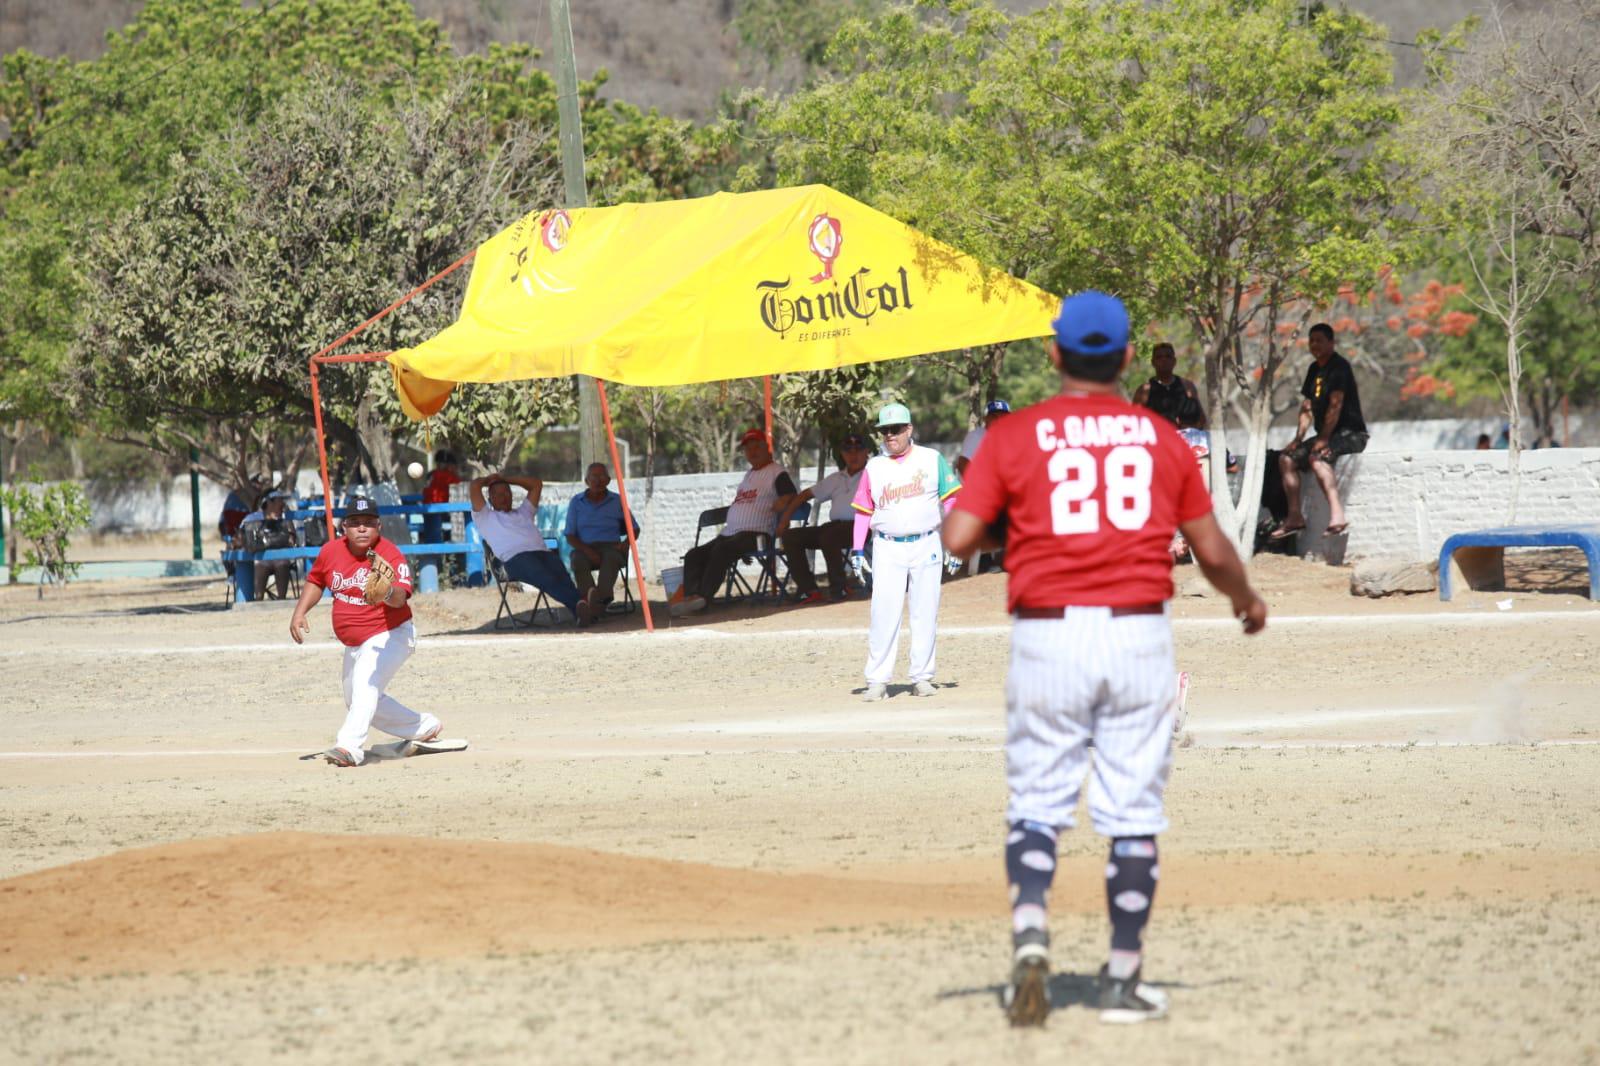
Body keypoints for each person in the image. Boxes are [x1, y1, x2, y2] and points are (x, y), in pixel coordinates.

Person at [943, 290, 1268, 1028]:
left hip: (1048, 635)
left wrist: (1026, 528)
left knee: (1037, 802)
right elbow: (1211, 547)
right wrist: (1246, 600)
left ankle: (1031, 932)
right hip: (1136, 635)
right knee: (1132, 814)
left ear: (1055, 355)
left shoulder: (1017, 436)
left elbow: (958, 536)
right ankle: (1122, 978)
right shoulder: (1157, 438)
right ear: (1127, 359)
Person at [289, 494, 444, 767]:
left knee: (366, 685)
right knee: (359, 700)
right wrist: (300, 612)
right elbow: (316, 580)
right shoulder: (330, 552)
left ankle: (349, 748)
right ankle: (424, 727)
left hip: (391, 634)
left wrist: (387, 591)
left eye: (369, 522)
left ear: (379, 527)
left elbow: (401, 598)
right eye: (355, 522)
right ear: (344, 527)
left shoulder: (390, 554)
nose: (362, 528)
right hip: (355, 643)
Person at [850, 403, 961, 700]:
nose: (890, 435)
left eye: (896, 429)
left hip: (927, 542)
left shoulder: (931, 458)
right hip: (887, 545)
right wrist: (857, 549)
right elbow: (863, 511)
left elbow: (951, 501)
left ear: (909, 429)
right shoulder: (875, 466)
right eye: (884, 431)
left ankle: (922, 677)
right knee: (883, 613)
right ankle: (877, 680)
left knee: (925, 611)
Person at [675, 428, 798, 615]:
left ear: (766, 447)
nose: (753, 452)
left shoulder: (776, 472)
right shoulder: (748, 475)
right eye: (748, 449)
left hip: (757, 533)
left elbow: (790, 495)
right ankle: (692, 598)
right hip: (730, 533)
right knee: (694, 555)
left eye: (757, 447)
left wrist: (782, 508)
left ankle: (703, 598)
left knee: (721, 551)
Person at [1272, 322, 1368, 539]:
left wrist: (1324, 437)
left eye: (1319, 340)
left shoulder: (1339, 367)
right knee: (1286, 459)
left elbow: (1336, 403)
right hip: (1326, 435)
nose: (1314, 344)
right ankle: (1295, 517)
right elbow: (1307, 406)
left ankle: (1337, 517)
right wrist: (1298, 438)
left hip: (1351, 434)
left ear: (1331, 343)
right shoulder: (1314, 369)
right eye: (1311, 340)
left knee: (1318, 458)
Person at [471, 473, 595, 626]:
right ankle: (581, 603)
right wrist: (491, 479)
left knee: (561, 574)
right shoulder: (485, 517)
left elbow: (536, 484)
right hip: (514, 560)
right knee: (545, 575)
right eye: (498, 494)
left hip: (542, 554)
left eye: (507, 493)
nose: (504, 497)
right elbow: (475, 486)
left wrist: (506, 478)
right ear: (490, 499)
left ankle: (582, 608)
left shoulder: (523, 512)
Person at [775, 432, 870, 605]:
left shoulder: (873, 474)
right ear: (842, 454)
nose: (853, 454)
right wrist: (784, 519)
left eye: (858, 449)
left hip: (862, 527)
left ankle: (839, 587)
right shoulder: (836, 478)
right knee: (791, 537)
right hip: (835, 527)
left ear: (866, 452)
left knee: (829, 536)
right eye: (848, 450)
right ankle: (809, 590)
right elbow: (804, 495)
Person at [564, 463, 640, 610]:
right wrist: (587, 550)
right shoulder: (576, 502)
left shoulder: (617, 500)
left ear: (608, 480)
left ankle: (597, 602)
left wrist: (625, 544)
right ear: (586, 481)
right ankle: (591, 599)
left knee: (611, 557)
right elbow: (570, 535)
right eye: (594, 477)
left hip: (612, 547)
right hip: (585, 547)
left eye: (601, 476)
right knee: (577, 559)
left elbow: (634, 529)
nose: (598, 481)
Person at [238, 490, 299, 600]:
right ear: (269, 503)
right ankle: (258, 600)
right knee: (260, 564)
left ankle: (281, 599)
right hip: (260, 558)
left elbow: (292, 541)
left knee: (282, 563)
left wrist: (287, 518)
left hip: (280, 558)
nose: (282, 504)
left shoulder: (284, 519)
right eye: (279, 501)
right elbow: (242, 539)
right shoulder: (253, 519)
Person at [1132, 342, 1205, 428]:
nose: (1164, 360)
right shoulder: (1144, 391)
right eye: (1159, 357)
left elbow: (1202, 418)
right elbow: (1134, 422)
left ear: (1174, 361)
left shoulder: (1187, 386)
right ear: (1153, 362)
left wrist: (1188, 427)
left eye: (1168, 356)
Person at [956, 399, 1011, 478]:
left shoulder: (1008, 437)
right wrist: (977, 488)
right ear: (985, 418)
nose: (999, 419)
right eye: (994, 416)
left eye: (1003, 416)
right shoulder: (977, 436)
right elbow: (963, 464)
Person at [421, 449, 463, 543]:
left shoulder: (432, 474)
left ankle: (434, 555)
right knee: (436, 535)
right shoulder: (448, 476)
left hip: (427, 508)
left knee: (431, 535)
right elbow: (461, 488)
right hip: (439, 510)